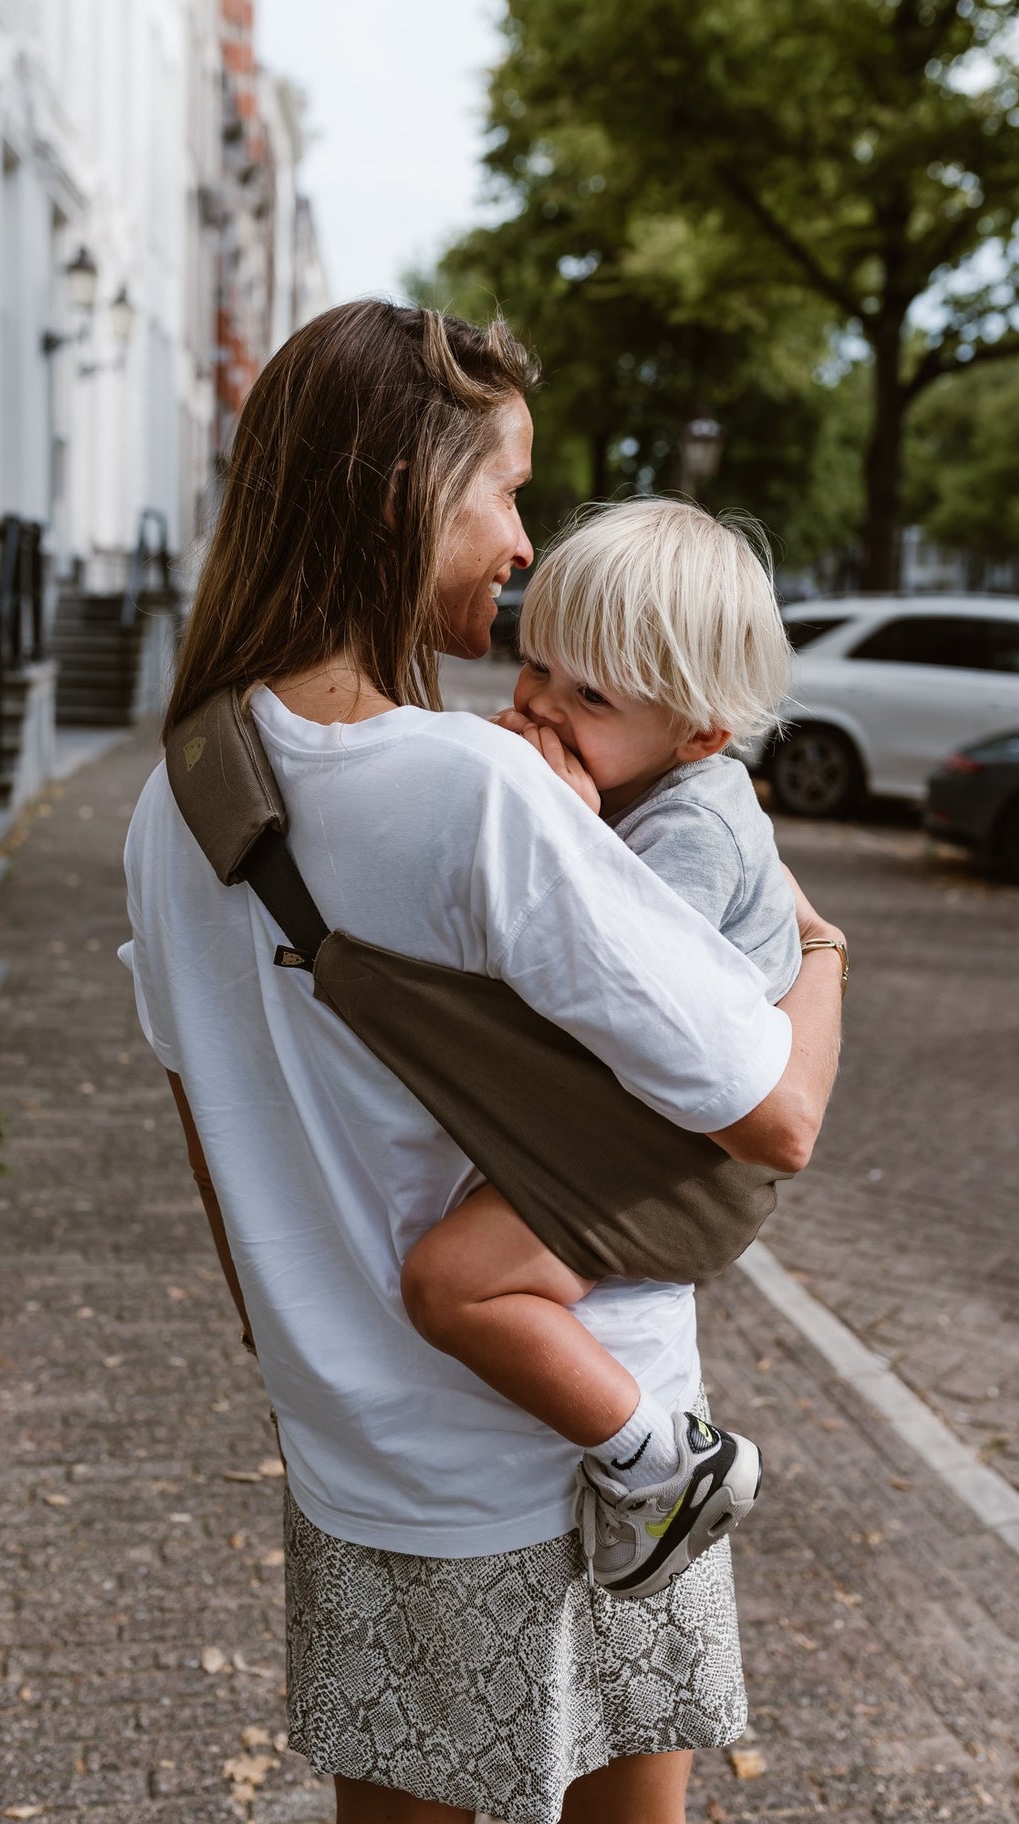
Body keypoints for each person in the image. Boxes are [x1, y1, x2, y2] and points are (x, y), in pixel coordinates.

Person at [121, 299, 846, 1824]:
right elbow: (773, 1116)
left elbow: (214, 1156)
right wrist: (825, 952)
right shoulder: (475, 790)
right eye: (502, 490)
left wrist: (319, 1373)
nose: (521, 543)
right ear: (402, 492)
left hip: (359, 1469)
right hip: (575, 1477)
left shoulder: (175, 804)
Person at [399, 498, 815, 1603]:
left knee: (452, 1285)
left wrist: (564, 831)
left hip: (676, 1143)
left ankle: (661, 1462)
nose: (537, 702)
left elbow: (627, 1002)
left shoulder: (684, 827)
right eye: (534, 661)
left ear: (699, 735)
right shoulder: (642, 779)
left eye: (589, 696)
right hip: (651, 1120)